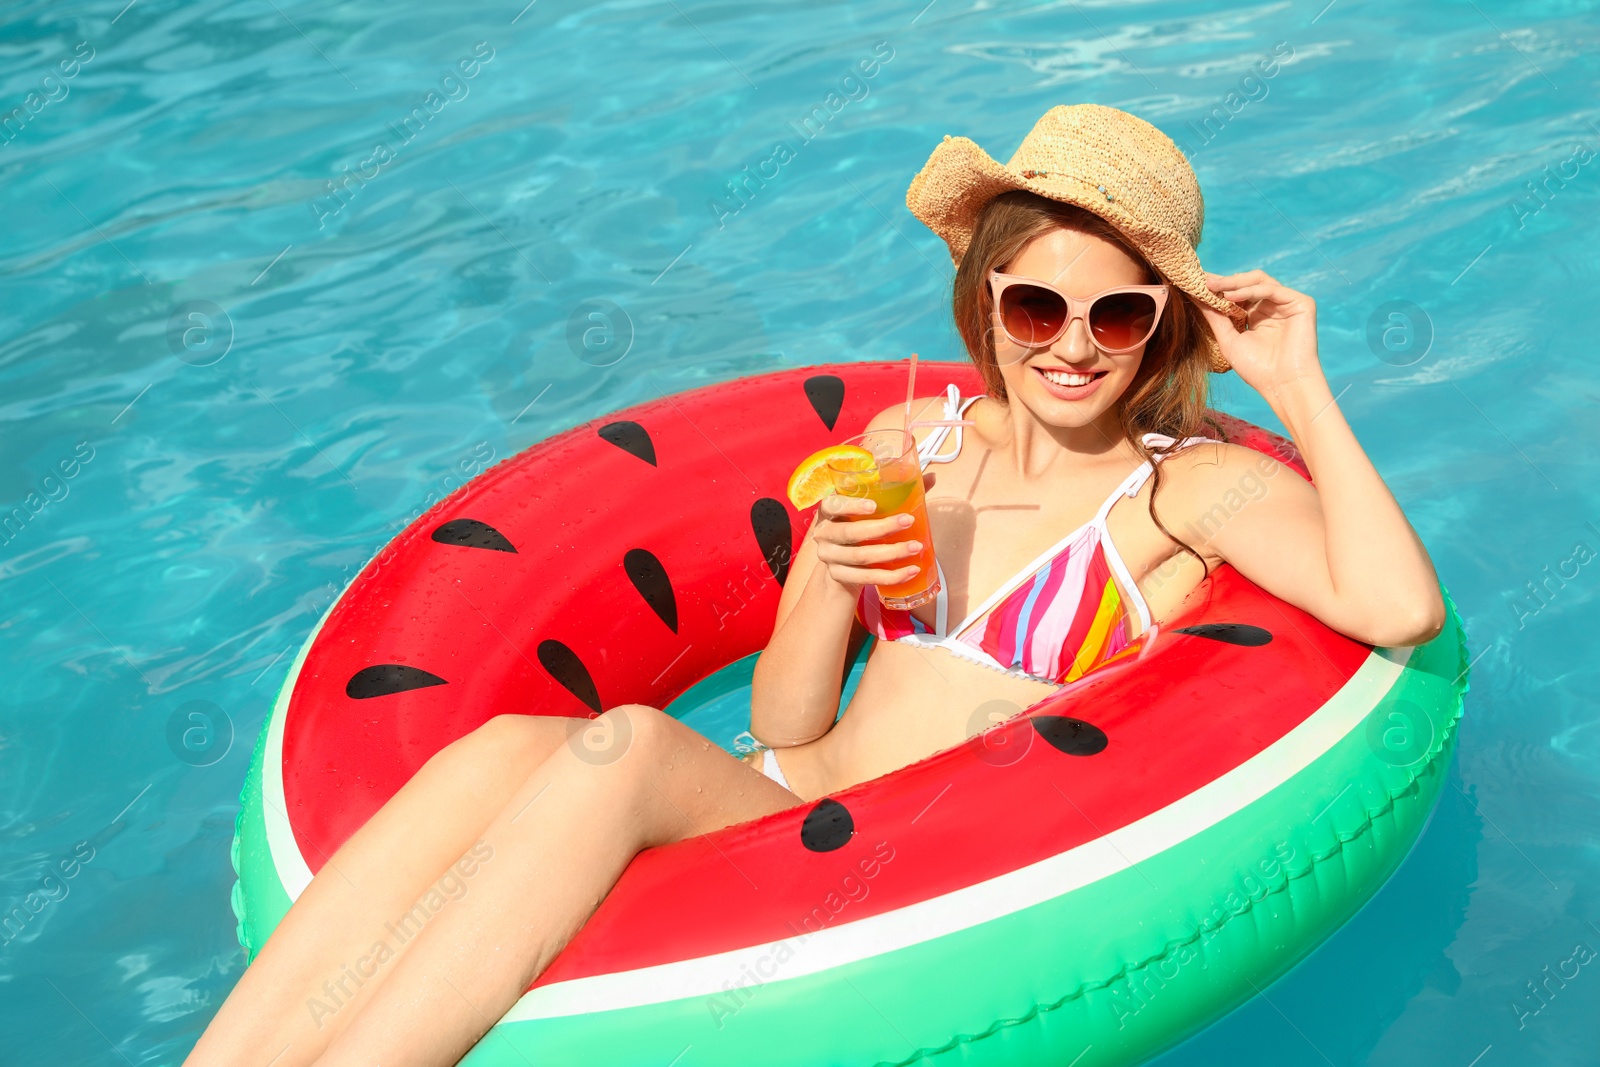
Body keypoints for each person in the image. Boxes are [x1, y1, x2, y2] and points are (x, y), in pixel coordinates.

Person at [183, 104, 1445, 1067]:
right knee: (509, 742)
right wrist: (827, 578)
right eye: (1037, 302)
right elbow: (790, 720)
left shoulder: (1179, 492)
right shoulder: (912, 445)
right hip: (777, 794)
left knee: (617, 744)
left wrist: (1293, 383)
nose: (1069, 343)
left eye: (1116, 316)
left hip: (904, 869)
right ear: (985, 296)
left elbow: (1397, 609)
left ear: (1163, 322)